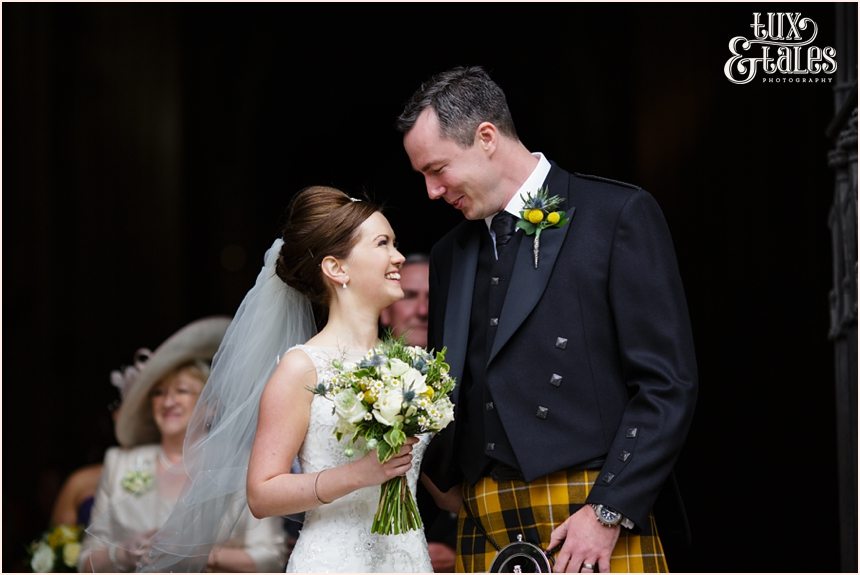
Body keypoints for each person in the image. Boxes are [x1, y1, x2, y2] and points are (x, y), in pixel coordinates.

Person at [396, 65, 698, 573]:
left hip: (589, 509)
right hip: (484, 516)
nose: (431, 191)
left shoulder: (616, 214)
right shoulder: (450, 252)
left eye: (437, 169)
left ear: (486, 137)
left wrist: (608, 510)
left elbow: (668, 384)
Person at [143, 186, 454, 573]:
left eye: (395, 243)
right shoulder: (302, 366)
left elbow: (441, 486)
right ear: (336, 268)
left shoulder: (415, 364)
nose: (398, 257)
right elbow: (262, 492)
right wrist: (358, 474)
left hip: (408, 559)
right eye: (382, 244)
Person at [78, 317, 287, 572]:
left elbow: (273, 558)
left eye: (182, 391)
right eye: (159, 393)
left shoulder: (242, 467)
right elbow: (83, 562)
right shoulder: (119, 462)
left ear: (210, 406)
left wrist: (204, 554)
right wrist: (121, 554)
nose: (168, 402)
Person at [380, 253, 458, 573]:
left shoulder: (464, 377)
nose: (423, 310)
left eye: (432, 298)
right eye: (409, 296)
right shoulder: (358, 378)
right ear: (385, 309)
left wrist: (454, 544)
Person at [50, 350, 148, 529]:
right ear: (116, 416)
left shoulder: (180, 476)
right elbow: (55, 547)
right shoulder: (79, 482)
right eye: (130, 410)